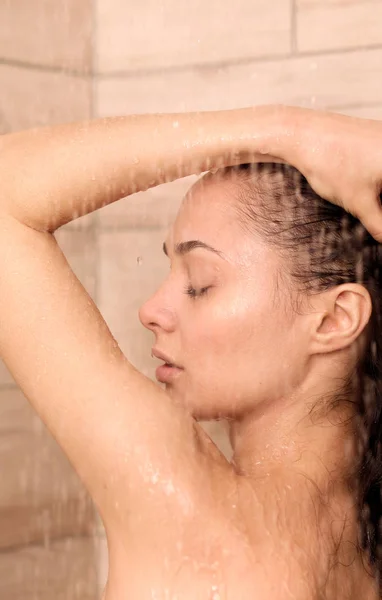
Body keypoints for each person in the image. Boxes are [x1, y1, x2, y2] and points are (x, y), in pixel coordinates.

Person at [0, 105, 381, 599]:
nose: (151, 309)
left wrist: (296, 131)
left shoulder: (191, 518)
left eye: (199, 283)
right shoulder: (362, 542)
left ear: (334, 319)